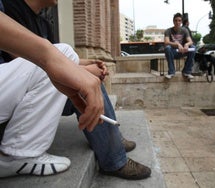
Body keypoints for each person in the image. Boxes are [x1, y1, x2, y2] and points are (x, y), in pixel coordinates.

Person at [0, 0, 151, 180]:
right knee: (74, 68)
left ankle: (113, 144)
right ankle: (115, 159)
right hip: (23, 96)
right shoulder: (11, 8)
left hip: (31, 93)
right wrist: (83, 72)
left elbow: (54, 59)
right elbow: (32, 60)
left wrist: (87, 64)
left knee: (75, 67)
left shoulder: (44, 23)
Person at [164, 13, 195, 79]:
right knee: (167, 48)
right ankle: (171, 72)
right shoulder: (168, 31)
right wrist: (177, 44)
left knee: (193, 47)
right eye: (176, 20)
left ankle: (187, 71)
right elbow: (166, 42)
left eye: (179, 20)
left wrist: (186, 44)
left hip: (183, 51)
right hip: (173, 52)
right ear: (173, 21)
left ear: (181, 21)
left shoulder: (184, 30)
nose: (177, 22)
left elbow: (191, 41)